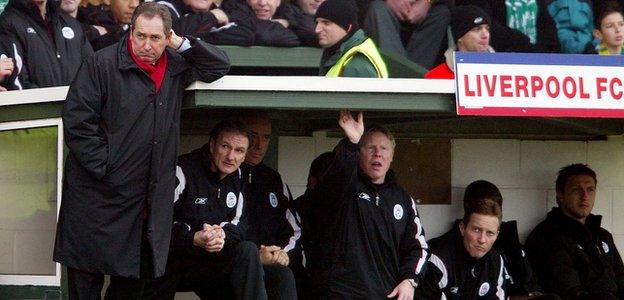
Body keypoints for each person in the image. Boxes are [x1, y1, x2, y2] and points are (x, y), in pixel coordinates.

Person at [53, 2, 230, 298]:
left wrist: (181, 44)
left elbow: (218, 65)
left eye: (156, 38)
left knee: (132, 285)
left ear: (168, 38)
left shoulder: (175, 65)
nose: (146, 45)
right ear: (130, 33)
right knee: (86, 285)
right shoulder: (101, 64)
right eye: (140, 36)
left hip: (142, 204)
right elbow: (77, 123)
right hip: (95, 200)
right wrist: (108, 168)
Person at [306, 110, 428, 298]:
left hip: (384, 294)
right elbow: (335, 177)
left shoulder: (402, 199)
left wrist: (409, 280)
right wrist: (352, 142)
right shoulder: (345, 186)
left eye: (384, 148)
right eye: (370, 148)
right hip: (341, 293)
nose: (377, 154)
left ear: (392, 156)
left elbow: (418, 247)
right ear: (359, 153)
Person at [155, 120, 268, 299]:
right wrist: (192, 237)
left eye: (239, 151)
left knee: (249, 251)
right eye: (225, 146)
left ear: (245, 155)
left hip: (212, 260)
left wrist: (222, 235)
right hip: (177, 260)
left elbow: (240, 224)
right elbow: (157, 223)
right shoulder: (183, 170)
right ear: (212, 144)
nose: (231, 157)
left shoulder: (237, 175)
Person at [526, 163, 624, 299]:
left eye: (590, 189)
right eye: (576, 190)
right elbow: (569, 291)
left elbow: (620, 277)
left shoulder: (602, 235)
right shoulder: (547, 237)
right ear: (560, 195)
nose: (585, 196)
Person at [239, 113, 300, 299]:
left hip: (271, 264)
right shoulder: (228, 174)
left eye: (265, 137)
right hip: (236, 265)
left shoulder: (274, 179)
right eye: (252, 136)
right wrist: (255, 257)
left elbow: (293, 231)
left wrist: (283, 253)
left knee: (286, 275)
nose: (258, 145)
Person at [415, 198, 506, 299]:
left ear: (497, 235)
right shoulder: (438, 260)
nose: (482, 240)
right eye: (476, 230)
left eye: (490, 233)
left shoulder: (496, 260)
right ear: (462, 228)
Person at [0, 0, 93, 88]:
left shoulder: (71, 24)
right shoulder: (9, 22)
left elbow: (92, 74)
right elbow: (18, 82)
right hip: (36, 104)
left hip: (77, 104)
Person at [362, 0, 450, 70]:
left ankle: (414, 77)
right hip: (385, 7)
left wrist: (427, 2)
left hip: (425, 9)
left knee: (441, 14)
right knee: (377, 8)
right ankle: (398, 74)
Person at [315, 0, 388, 77]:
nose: (317, 30)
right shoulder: (341, 53)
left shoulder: (357, 64)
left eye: (326, 23)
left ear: (348, 27)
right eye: (317, 23)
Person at [454, 0, 560, 53]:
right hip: (498, 57)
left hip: (536, 60)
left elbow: (549, 34)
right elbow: (485, 26)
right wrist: (523, 43)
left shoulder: (537, 2)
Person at [425, 5, 494, 79]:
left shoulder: (504, 71)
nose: (485, 35)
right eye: (477, 29)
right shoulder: (436, 77)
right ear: (460, 37)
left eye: (487, 29)